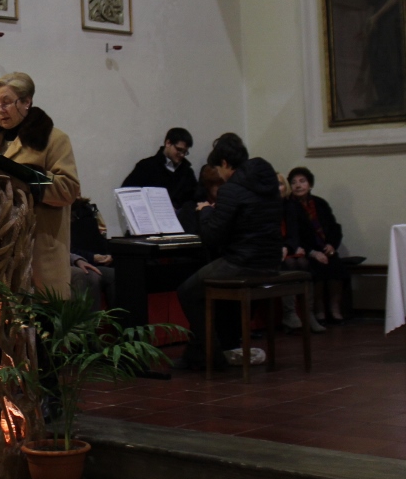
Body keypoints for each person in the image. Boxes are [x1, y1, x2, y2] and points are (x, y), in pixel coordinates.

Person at [174, 133, 281, 370]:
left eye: (218, 168)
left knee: (187, 291)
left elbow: (212, 236)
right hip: (270, 261)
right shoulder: (267, 182)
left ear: (224, 163)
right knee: (207, 286)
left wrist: (205, 211)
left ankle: (210, 354)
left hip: (243, 263)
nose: (219, 175)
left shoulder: (232, 189)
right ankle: (204, 350)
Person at [0, 72, 81, 297]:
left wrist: (28, 177)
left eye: (6, 102)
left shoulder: (53, 139)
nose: (0, 110)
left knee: (38, 316)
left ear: (26, 102)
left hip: (38, 251)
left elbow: (69, 189)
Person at [287, 166, 347, 323]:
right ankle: (319, 310)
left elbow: (334, 227)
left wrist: (331, 245)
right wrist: (312, 252)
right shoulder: (288, 206)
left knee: (336, 266)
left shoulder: (320, 203)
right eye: (294, 182)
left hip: (325, 248)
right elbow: (293, 236)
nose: (298, 185)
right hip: (306, 250)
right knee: (316, 268)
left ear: (310, 184)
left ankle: (335, 309)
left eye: (302, 181)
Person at [122, 127, 197, 208]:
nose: (182, 155)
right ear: (168, 143)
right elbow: (127, 193)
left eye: (185, 152)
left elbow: (195, 198)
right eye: (179, 150)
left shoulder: (187, 172)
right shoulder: (146, 166)